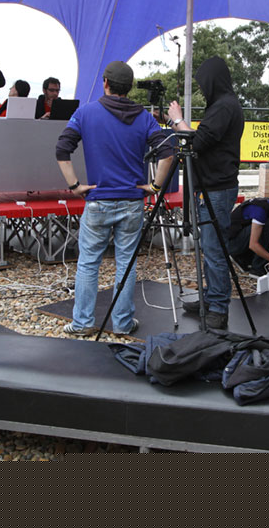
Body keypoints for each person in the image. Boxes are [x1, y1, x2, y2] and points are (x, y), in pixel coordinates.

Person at [55, 61, 173, 336]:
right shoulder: (145, 117)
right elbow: (167, 153)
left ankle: (82, 323)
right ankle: (122, 323)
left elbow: (62, 149)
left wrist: (75, 186)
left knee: (88, 263)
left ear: (105, 83)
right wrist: (154, 187)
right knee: (126, 264)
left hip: (98, 200)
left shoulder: (85, 113)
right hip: (132, 201)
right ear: (129, 87)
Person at [166, 57, 244, 330]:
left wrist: (178, 120)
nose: (201, 89)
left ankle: (219, 308)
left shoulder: (224, 106)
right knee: (210, 248)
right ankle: (211, 298)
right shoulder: (224, 104)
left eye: (203, 84)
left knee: (214, 249)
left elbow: (197, 142)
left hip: (217, 189)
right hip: (212, 186)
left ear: (213, 81)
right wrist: (176, 123)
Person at [226, 198, 269, 277]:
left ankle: (243, 258)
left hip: (235, 239)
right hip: (230, 245)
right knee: (268, 225)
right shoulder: (261, 211)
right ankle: (258, 269)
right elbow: (253, 245)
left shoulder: (268, 206)